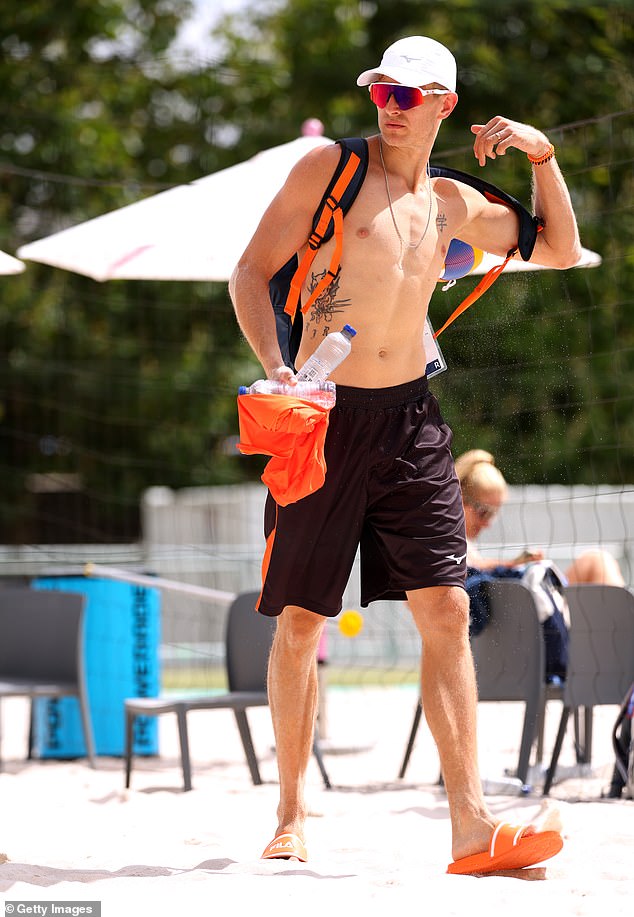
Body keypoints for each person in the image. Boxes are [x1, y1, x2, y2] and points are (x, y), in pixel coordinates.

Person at [229, 35, 582, 875]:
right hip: (323, 415)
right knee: (302, 620)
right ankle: (289, 813)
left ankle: (470, 825)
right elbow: (249, 273)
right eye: (383, 91)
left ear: (444, 106)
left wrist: (543, 155)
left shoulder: (455, 203)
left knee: (448, 610)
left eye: (408, 95)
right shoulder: (331, 171)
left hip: (411, 419)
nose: (390, 106)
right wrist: (278, 367)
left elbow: (561, 248)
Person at [456, 449, 625, 679]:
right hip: (526, 645)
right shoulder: (447, 549)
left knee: (596, 561)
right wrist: (511, 566)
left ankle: (621, 650)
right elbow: (471, 565)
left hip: (528, 631)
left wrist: (512, 565)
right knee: (597, 563)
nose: (488, 524)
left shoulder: (461, 553)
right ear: (459, 499)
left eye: (494, 514)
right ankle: (621, 656)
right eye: (484, 512)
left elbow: (477, 563)